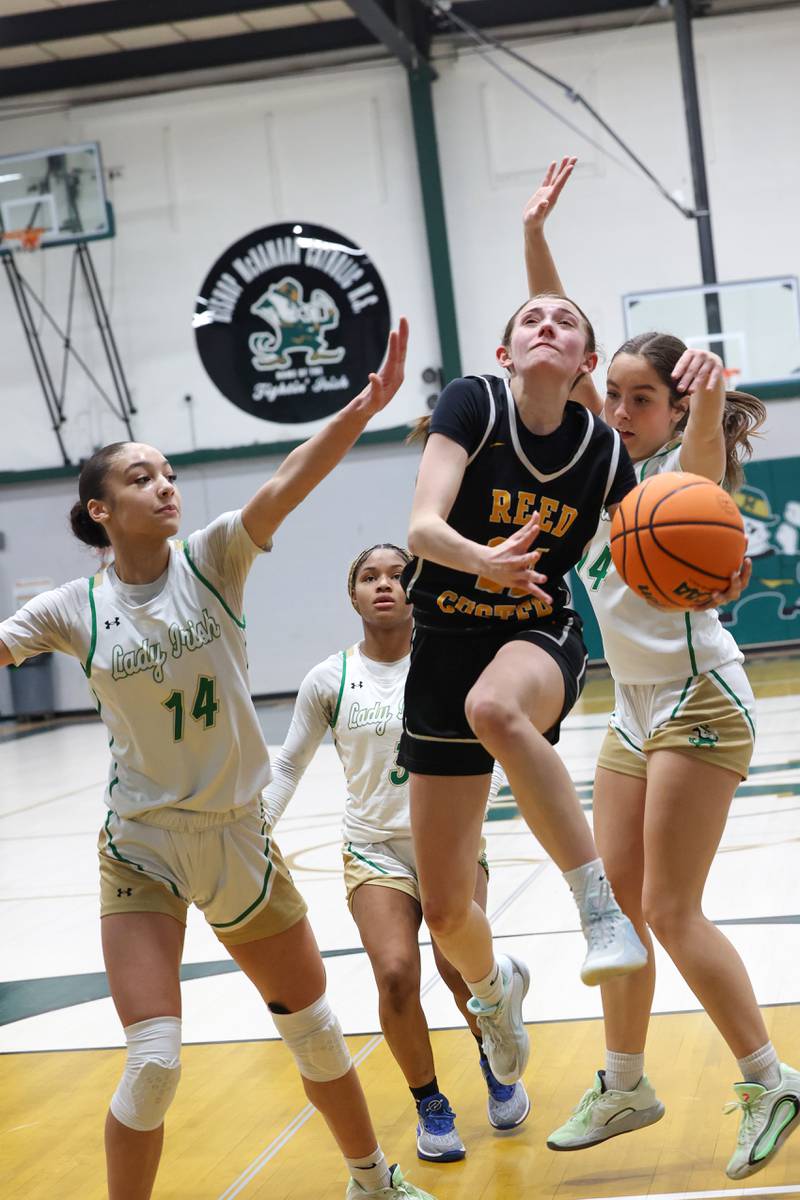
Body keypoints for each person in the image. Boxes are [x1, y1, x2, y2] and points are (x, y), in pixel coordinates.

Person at [0, 320, 442, 1200]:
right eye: (140, 478)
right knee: (155, 1062)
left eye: (168, 474)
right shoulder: (69, 608)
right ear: (100, 509)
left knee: (314, 1033)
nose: (164, 486)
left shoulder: (213, 558)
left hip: (239, 838)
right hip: (141, 847)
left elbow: (291, 479)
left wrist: (365, 406)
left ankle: (371, 1181)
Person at [524, 157, 800, 1180]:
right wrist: (536, 234)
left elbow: (695, 448)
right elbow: (556, 332)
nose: (621, 408)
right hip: (631, 710)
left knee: (672, 911)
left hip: (698, 701)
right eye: (617, 395)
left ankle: (767, 1076)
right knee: (616, 907)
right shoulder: (597, 460)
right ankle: (625, 1079)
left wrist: (701, 394)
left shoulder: (686, 478)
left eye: (641, 398)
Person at [395, 286, 650, 1100]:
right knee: (443, 910)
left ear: (585, 363)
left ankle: (597, 905)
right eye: (530, 319)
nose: (547, 326)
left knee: (496, 708)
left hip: (537, 634)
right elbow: (423, 528)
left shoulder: (606, 454)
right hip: (443, 642)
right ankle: (496, 990)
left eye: (566, 322)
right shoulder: (473, 403)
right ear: (507, 354)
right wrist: (483, 559)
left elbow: (658, 537)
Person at [263, 543, 530, 1165]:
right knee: (395, 973)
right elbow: (287, 764)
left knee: (457, 967)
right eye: (368, 576)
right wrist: (255, 831)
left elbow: (491, 750)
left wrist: (469, 814)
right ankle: (431, 1104)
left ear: (417, 590)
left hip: (451, 842)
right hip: (373, 847)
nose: (384, 584)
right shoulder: (328, 679)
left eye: (398, 575)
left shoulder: (454, 663)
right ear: (352, 594)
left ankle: (496, 1063)